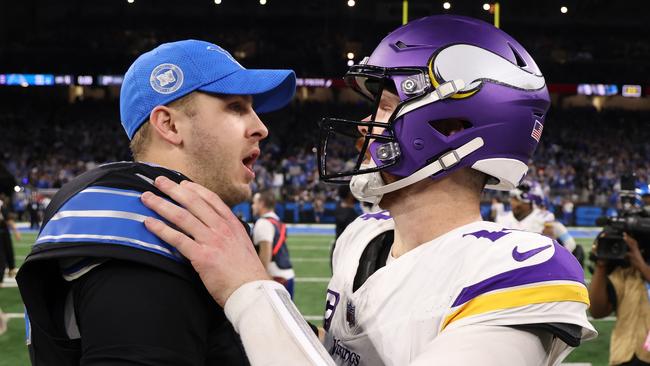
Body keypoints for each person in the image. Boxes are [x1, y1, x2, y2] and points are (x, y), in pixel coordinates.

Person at [141, 15, 596, 365]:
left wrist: (251, 289)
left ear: (453, 125)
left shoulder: (518, 270)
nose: (364, 125)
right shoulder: (362, 238)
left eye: (383, 104)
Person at [16, 39, 295, 365]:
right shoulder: (142, 240)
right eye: (235, 107)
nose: (261, 127)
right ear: (169, 124)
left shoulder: (140, 218)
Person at [589, 233, 650, 365]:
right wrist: (601, 265)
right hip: (624, 354)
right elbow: (597, 311)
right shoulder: (622, 273)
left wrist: (641, 264)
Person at [497, 181, 584, 266]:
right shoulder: (503, 218)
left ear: (529, 200)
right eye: (512, 198)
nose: (511, 202)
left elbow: (570, 244)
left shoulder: (545, 219)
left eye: (515, 199)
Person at [251, 190, 295, 298]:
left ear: (261, 204)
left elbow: (265, 256)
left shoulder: (263, 223)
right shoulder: (278, 222)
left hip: (275, 278)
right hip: (286, 275)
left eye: (254, 203)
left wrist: (259, 281)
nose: (252, 206)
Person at [0, 193, 21, 282]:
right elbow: (9, 219)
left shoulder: (2, 205)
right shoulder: (1, 204)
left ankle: (11, 269)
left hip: (3, 231)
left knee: (8, 251)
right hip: (3, 232)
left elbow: (8, 219)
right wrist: (16, 231)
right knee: (2, 255)